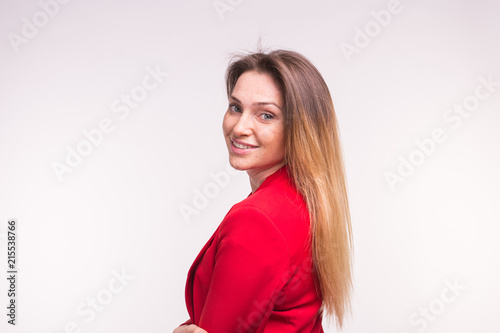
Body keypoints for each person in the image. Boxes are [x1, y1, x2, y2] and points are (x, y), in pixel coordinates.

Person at [174, 47, 353, 332]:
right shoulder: (305, 201)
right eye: (236, 107)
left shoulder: (258, 220)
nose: (240, 127)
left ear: (300, 128)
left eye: (266, 115)